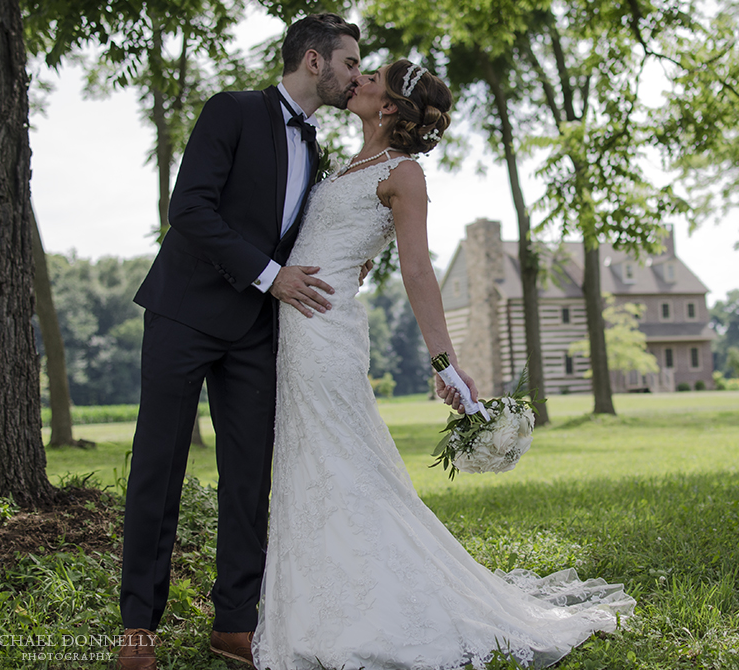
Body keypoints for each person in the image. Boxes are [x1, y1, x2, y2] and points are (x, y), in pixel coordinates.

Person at [251, 60, 635, 670]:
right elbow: (344, 239)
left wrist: (444, 362)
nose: (359, 79)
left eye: (372, 76)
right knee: (313, 458)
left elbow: (419, 270)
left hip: (325, 330)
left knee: (343, 460)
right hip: (293, 325)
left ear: (389, 106)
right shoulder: (347, 163)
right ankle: (324, 597)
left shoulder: (405, 174)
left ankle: (372, 609)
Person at [116, 14, 365, 670]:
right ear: (314, 61)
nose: (356, 76)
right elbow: (190, 209)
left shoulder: (316, 149)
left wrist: (340, 265)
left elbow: (301, 237)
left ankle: (234, 623)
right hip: (183, 313)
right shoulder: (230, 111)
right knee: (157, 467)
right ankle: (138, 624)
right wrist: (269, 274)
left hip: (257, 331)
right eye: (349, 64)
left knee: (250, 479)